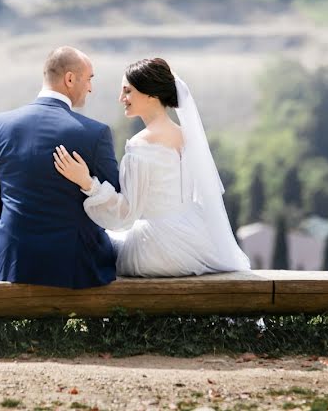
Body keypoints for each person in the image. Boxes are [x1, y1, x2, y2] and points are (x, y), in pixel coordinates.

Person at [53, 58, 251, 277]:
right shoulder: (187, 137)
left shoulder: (141, 145)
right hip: (197, 243)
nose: (121, 98)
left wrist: (88, 183)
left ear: (151, 94)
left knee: (97, 245)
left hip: (157, 250)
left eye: (127, 91)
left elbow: (126, 214)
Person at [0, 46, 120, 288]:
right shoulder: (95, 133)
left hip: (15, 258)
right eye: (89, 79)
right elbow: (112, 195)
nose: (91, 88)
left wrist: (22, 215)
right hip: (75, 263)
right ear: (70, 79)